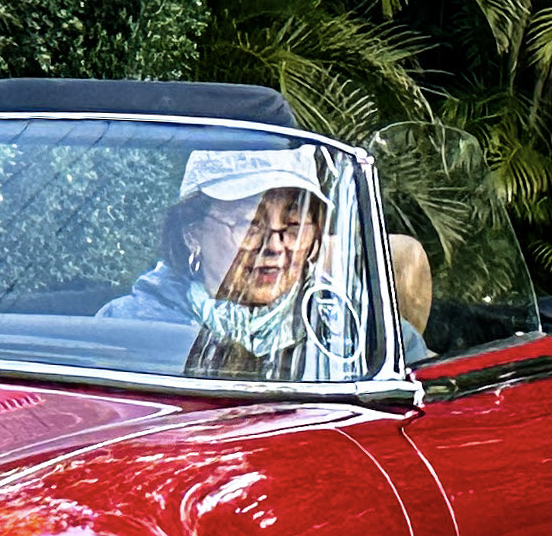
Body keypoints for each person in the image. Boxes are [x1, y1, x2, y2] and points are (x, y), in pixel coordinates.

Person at [100, 147, 421, 374]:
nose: (275, 245)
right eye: (248, 223)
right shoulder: (128, 325)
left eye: (294, 224)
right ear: (192, 234)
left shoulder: (359, 331)